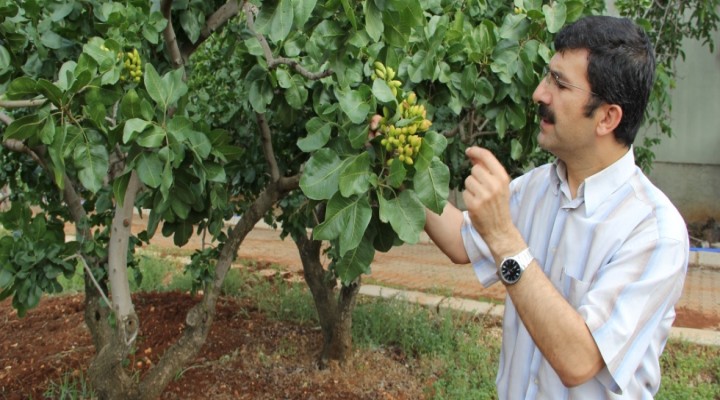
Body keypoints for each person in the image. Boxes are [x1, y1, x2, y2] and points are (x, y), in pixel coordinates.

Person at [424, 15, 689, 399]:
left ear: (607, 117)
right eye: (548, 76)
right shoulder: (536, 187)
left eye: (559, 83)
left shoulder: (654, 232)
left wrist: (504, 237)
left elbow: (578, 359)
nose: (538, 94)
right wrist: (404, 165)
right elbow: (458, 239)